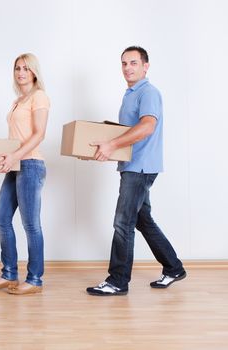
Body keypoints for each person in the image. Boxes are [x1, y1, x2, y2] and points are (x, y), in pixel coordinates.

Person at [86, 46, 186, 296]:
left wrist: (111, 145)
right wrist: (108, 148)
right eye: (124, 63)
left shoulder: (148, 92)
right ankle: (173, 268)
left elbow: (147, 127)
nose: (128, 68)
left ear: (145, 66)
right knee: (143, 220)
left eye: (133, 63)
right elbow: (128, 132)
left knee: (123, 222)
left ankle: (117, 280)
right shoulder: (130, 93)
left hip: (140, 168)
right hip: (132, 166)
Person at [0, 53, 50, 295]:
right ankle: (9, 273)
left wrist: (15, 157)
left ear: (34, 72)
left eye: (26, 68)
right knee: (1, 218)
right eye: (17, 68)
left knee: (31, 224)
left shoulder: (39, 96)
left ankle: (35, 280)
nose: (21, 72)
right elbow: (14, 139)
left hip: (31, 164)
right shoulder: (18, 100)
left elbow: (39, 134)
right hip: (15, 163)